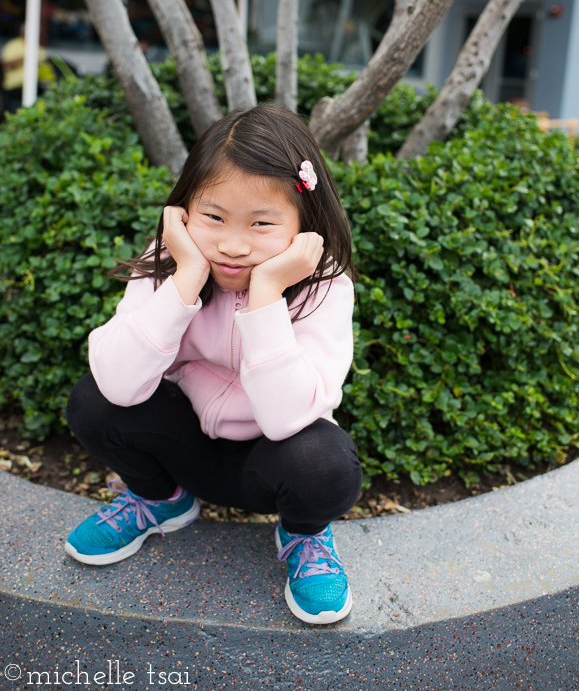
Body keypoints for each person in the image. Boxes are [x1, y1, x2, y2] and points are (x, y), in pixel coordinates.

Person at [65, 105, 362, 625]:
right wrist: (185, 279)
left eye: (262, 223)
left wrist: (267, 294)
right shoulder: (172, 262)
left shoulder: (323, 286)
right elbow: (115, 382)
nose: (231, 244)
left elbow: (290, 418)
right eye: (214, 217)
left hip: (272, 460)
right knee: (92, 401)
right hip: (186, 448)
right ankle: (161, 501)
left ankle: (303, 534)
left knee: (328, 466)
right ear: (183, 211)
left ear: (303, 225)